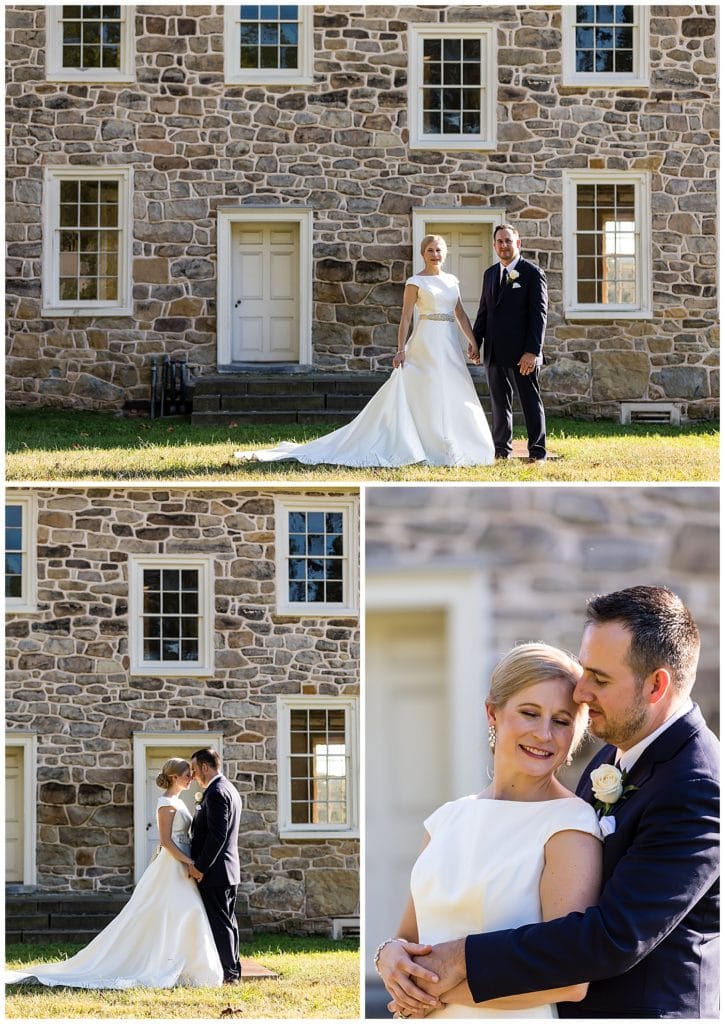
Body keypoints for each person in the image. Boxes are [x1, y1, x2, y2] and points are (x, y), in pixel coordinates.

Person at [390, 587, 720, 1019]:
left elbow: (613, 938)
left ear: (656, 685)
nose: (581, 692)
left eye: (599, 678)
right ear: (494, 713)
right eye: (585, 672)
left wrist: (454, 964)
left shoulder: (697, 784)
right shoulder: (611, 758)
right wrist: (389, 953)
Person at [376, 643, 603, 1019]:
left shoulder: (570, 825)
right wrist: (388, 956)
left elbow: (571, 979)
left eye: (561, 721)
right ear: (492, 712)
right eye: (530, 713)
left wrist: (431, 992)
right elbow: (409, 937)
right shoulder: (445, 820)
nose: (544, 734)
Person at [235, 235, 494, 466]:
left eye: (439, 250)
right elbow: (405, 318)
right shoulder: (416, 282)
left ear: (445, 253)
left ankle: (459, 443)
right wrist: (400, 349)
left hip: (448, 341)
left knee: (453, 388)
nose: (435, 255)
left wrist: (472, 342)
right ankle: (428, 443)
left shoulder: (452, 281)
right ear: (423, 254)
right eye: (431, 251)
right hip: (426, 341)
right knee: (427, 388)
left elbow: (460, 314)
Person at [5, 758, 223, 989]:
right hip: (173, 865)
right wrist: (191, 863)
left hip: (182, 864)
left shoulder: (179, 802)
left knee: (183, 912)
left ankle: (186, 967)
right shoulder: (165, 803)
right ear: (174, 778)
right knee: (180, 910)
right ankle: (163, 964)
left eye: (191, 773)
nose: (191, 777)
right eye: (187, 774)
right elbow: (166, 842)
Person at [472, 224, 547, 462]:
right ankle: (502, 450)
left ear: (518, 243)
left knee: (530, 402)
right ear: (494, 246)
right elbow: (484, 313)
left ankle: (537, 452)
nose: (504, 245)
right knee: (498, 404)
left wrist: (532, 351)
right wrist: (476, 342)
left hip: (522, 353)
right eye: (500, 242)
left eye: (508, 241)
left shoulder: (532, 273)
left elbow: (539, 315)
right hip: (494, 351)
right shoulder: (490, 274)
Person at [190, 747, 243, 985]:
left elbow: (217, 836)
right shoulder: (228, 788)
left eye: (194, 769)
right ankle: (233, 970)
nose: (193, 775)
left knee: (221, 924)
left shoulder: (216, 792)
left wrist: (200, 866)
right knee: (228, 922)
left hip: (216, 871)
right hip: (227, 870)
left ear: (204, 767)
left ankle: (229, 975)